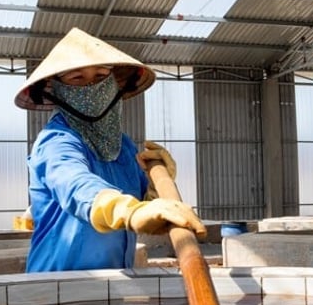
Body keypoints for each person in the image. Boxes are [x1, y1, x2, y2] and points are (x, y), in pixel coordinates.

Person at [15, 27, 206, 272]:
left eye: (101, 76)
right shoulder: (56, 141)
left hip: (114, 284)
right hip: (58, 289)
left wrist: (156, 187)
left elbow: (138, 204)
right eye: (77, 78)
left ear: (115, 84)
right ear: (56, 90)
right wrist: (129, 212)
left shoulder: (123, 147)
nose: (91, 87)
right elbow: (76, 185)